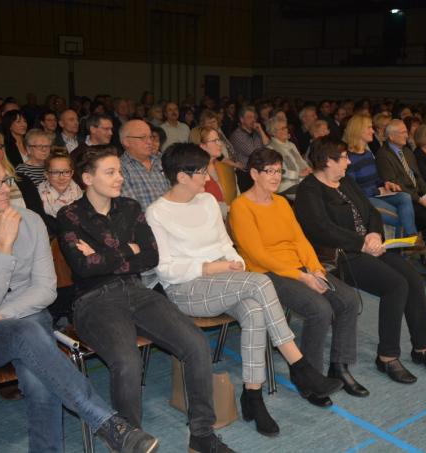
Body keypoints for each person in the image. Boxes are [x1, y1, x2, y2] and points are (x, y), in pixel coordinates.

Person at [0, 153, 159, 453]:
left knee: (38, 376)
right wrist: (4, 246)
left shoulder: (31, 221)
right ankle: (106, 422)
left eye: (5, 181)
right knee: (28, 335)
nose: (3, 189)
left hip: (26, 320)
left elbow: (46, 290)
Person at [145, 143, 343, 437]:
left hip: (225, 281)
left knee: (253, 311)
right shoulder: (157, 212)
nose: (208, 176)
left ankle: (253, 396)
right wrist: (212, 267)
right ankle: (299, 365)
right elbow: (166, 270)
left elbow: (226, 245)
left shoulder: (208, 202)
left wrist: (234, 261)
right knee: (260, 283)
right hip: (186, 289)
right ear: (181, 176)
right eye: (201, 171)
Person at [56, 146, 233, 453]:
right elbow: (83, 267)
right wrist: (128, 250)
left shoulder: (130, 207)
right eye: (110, 172)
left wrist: (106, 256)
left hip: (138, 291)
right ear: (87, 177)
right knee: (126, 361)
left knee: (196, 344)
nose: (119, 178)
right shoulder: (70, 215)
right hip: (93, 299)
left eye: (120, 171)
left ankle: (202, 435)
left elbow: (151, 258)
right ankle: (130, 442)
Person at [294, 137, 426, 384]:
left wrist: (375, 233)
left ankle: (422, 348)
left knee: (412, 279)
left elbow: (371, 211)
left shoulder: (345, 181)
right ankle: (387, 357)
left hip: (369, 246)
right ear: (326, 161)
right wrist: (362, 243)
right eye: (343, 157)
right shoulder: (309, 190)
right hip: (339, 256)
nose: (348, 161)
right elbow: (320, 229)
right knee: (395, 285)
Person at [229, 147, 367, 408]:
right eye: (269, 171)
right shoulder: (241, 207)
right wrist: (302, 277)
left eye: (279, 171)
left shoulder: (281, 202)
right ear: (255, 173)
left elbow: (299, 240)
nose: (275, 176)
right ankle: (310, 378)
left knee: (348, 299)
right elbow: (257, 255)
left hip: (300, 268)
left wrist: (315, 269)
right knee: (319, 309)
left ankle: (339, 366)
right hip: (267, 274)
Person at [342, 115, 421, 242]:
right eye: (369, 128)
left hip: (376, 195)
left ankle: (411, 240)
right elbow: (353, 191)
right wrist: (377, 191)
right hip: (364, 200)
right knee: (400, 215)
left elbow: (376, 179)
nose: (373, 131)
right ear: (358, 130)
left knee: (404, 196)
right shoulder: (349, 158)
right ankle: (409, 244)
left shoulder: (368, 154)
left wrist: (386, 183)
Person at [375, 119, 426, 243]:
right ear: (391, 136)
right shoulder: (383, 155)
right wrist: (419, 199)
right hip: (404, 195)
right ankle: (412, 243)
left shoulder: (407, 151)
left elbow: (417, 176)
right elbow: (393, 183)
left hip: (417, 193)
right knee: (424, 216)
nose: (406, 135)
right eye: (402, 132)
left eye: (406, 131)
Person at [119, 120, 172, 209]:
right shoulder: (120, 168)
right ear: (126, 142)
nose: (150, 142)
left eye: (151, 137)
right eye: (143, 137)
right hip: (146, 221)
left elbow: (179, 191)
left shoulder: (163, 159)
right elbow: (132, 210)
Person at [229, 106, 271, 192]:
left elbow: (268, 146)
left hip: (258, 170)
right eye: (249, 117)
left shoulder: (256, 132)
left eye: (254, 117)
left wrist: (261, 131)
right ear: (242, 120)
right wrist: (263, 148)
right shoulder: (237, 135)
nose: (253, 120)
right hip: (245, 173)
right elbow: (254, 153)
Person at [266, 116, 311, 195]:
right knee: (311, 191)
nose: (286, 130)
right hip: (285, 185)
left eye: (286, 128)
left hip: (301, 180)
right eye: (282, 128)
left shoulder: (291, 144)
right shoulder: (271, 148)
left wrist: (308, 169)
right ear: (273, 132)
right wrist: (298, 174)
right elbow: (277, 171)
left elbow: (301, 161)